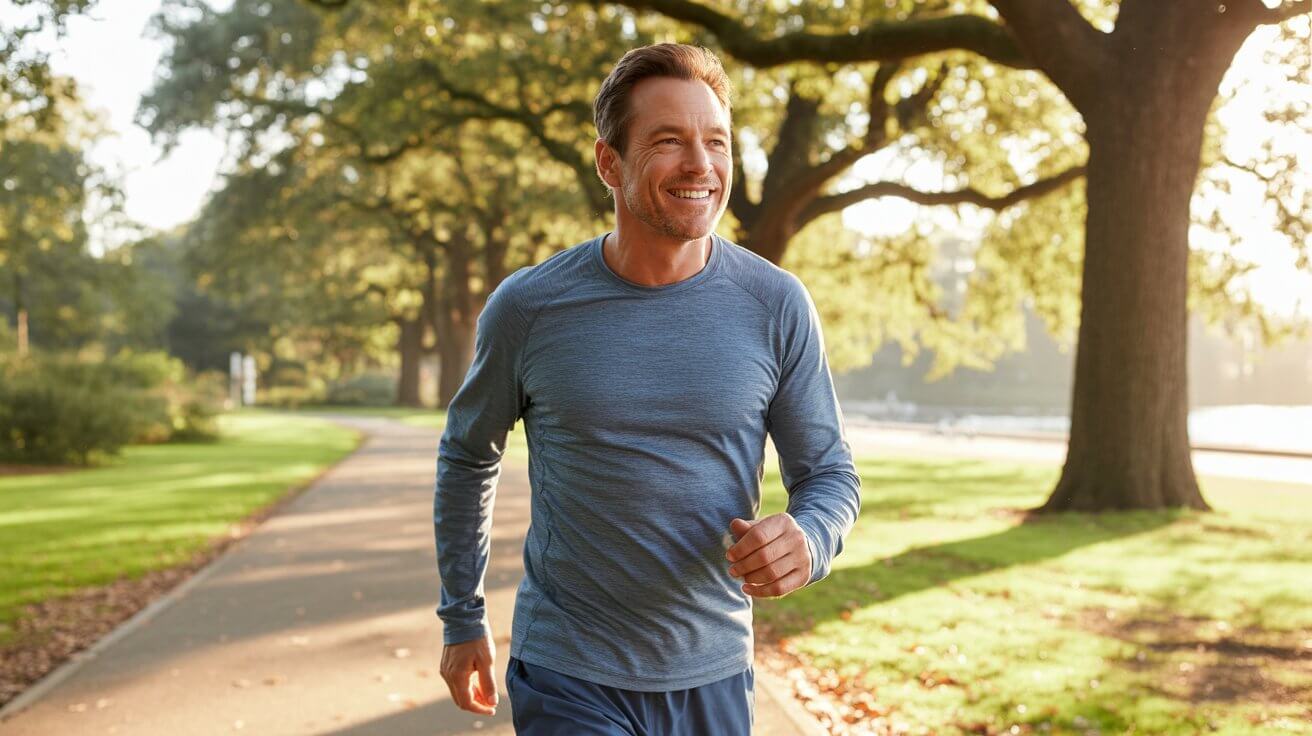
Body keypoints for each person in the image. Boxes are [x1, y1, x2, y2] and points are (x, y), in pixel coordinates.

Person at [434, 43, 862, 735]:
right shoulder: (530, 308)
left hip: (713, 672)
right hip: (567, 672)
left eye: (715, 141)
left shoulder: (776, 304)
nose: (701, 165)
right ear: (610, 162)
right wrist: (462, 614)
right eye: (669, 141)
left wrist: (810, 538)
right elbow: (466, 453)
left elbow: (830, 476)